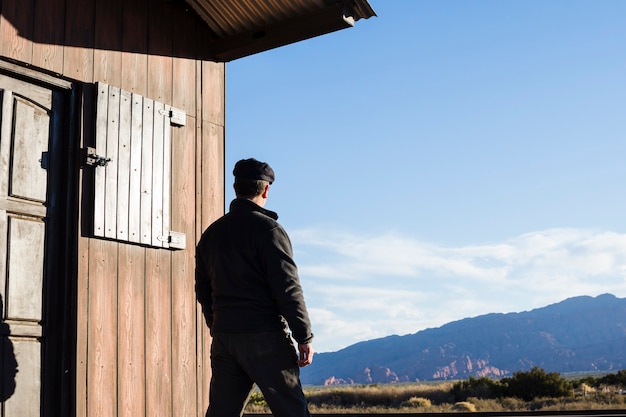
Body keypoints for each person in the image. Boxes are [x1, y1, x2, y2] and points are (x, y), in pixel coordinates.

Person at [195, 158, 314, 417]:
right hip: (264, 336)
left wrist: (218, 325)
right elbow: (288, 288)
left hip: (225, 337)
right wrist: (303, 336)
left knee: (221, 413)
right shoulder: (270, 230)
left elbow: (203, 291)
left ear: (236, 187)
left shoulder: (211, 234)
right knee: (292, 411)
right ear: (266, 190)